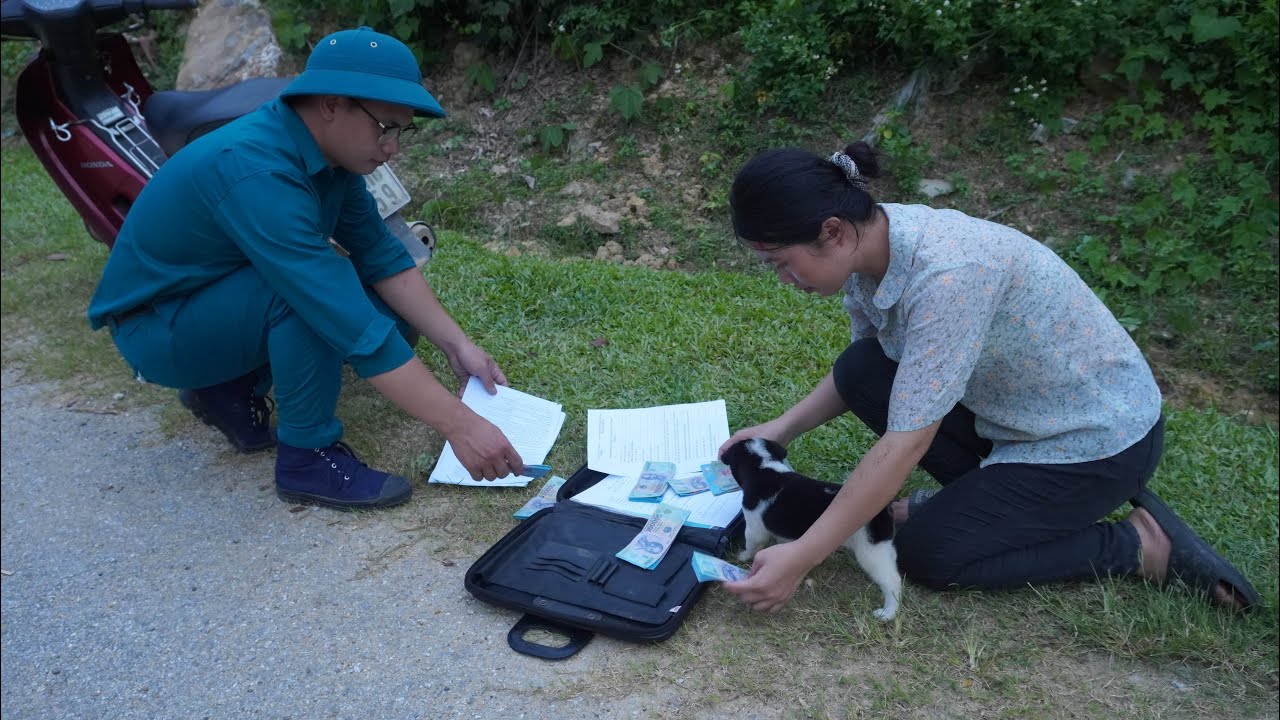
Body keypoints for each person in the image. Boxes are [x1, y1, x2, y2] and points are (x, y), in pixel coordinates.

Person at [717, 141, 1260, 614]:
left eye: (780, 262)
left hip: (1095, 445)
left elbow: (907, 442)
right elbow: (874, 362)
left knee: (933, 554)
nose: (784, 279)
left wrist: (804, 553)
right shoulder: (872, 245)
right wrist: (778, 431)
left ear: (831, 231)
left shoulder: (950, 275)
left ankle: (1138, 546)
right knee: (863, 368)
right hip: (1012, 418)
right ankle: (985, 501)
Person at [87, 27, 525, 510]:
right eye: (386, 128)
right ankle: (307, 458)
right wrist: (460, 425)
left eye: (403, 130)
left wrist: (457, 344)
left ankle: (227, 391)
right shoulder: (257, 168)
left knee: (387, 316)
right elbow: (336, 310)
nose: (394, 147)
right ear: (332, 104)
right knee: (307, 298)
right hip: (158, 327)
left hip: (208, 298)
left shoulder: (328, 158)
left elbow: (381, 256)